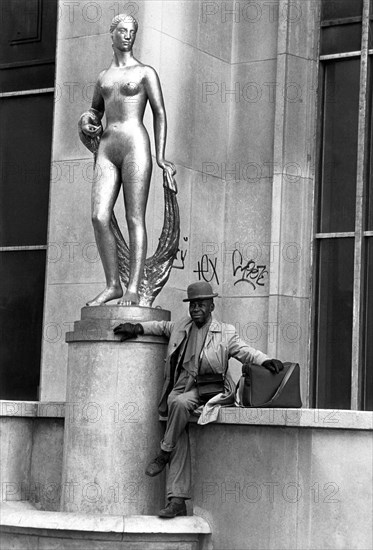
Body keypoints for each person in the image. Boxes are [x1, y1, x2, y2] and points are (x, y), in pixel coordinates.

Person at [113, 282, 284, 518]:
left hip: (208, 390)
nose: (196, 309)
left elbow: (245, 351)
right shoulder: (182, 326)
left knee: (179, 404)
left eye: (201, 304)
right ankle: (177, 500)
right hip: (181, 386)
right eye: (193, 305)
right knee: (177, 415)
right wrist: (136, 327)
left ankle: (164, 452)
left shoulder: (225, 332)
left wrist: (266, 360)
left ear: (211, 306)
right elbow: (161, 326)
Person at [80, 13, 176, 307]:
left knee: (135, 218)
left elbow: (159, 113)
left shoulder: (146, 73)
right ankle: (113, 285)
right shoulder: (103, 77)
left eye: (132, 31)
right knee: (99, 215)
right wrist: (86, 121)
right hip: (108, 146)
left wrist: (160, 157)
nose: (127, 35)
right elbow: (94, 111)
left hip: (136, 143)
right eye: (122, 31)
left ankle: (133, 286)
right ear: (112, 34)